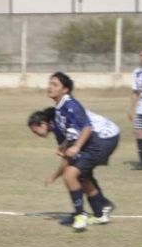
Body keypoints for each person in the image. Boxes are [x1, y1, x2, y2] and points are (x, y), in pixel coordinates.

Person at [34, 72, 120, 232]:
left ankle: (81, 216)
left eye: (55, 84)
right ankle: (101, 210)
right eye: (49, 83)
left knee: (71, 174)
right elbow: (68, 149)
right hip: (99, 138)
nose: (50, 87)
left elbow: (87, 127)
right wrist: (67, 145)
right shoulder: (59, 110)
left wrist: (75, 147)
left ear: (65, 89)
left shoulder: (70, 105)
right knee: (80, 174)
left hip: (104, 137)